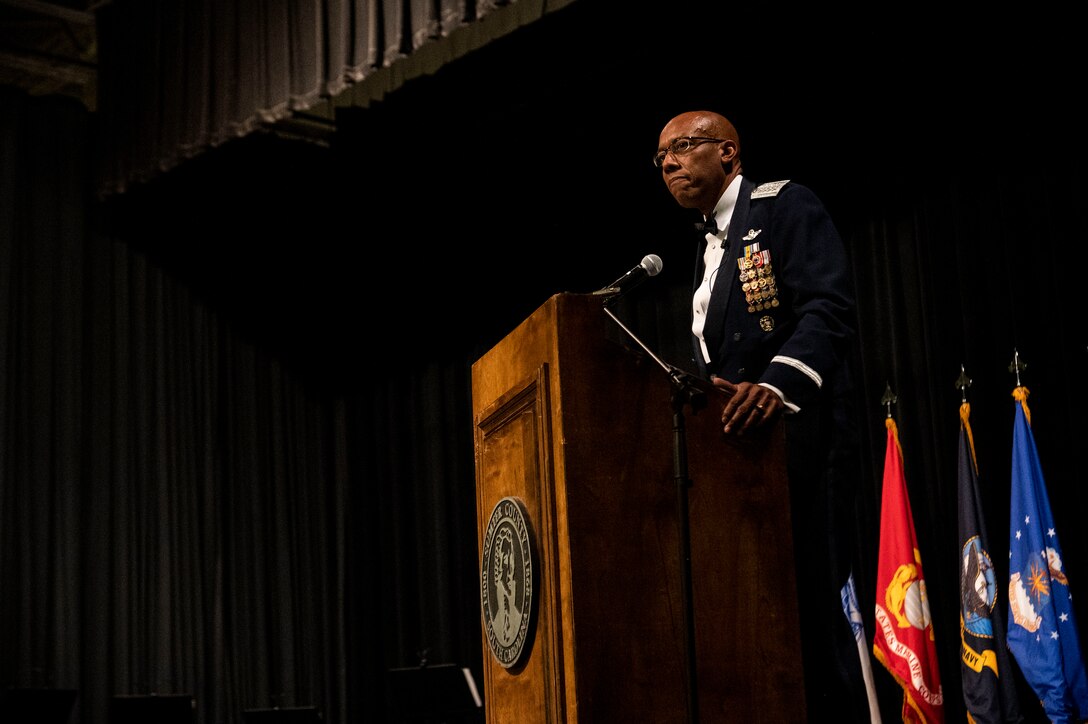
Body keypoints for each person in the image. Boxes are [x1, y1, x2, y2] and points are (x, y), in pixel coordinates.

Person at [655, 110, 872, 722]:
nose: (670, 162)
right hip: (745, 458)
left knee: (811, 617)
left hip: (806, 443)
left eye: (684, 146)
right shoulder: (704, 249)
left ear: (728, 153)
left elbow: (828, 308)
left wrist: (774, 386)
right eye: (661, 156)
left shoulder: (781, 207)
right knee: (767, 621)